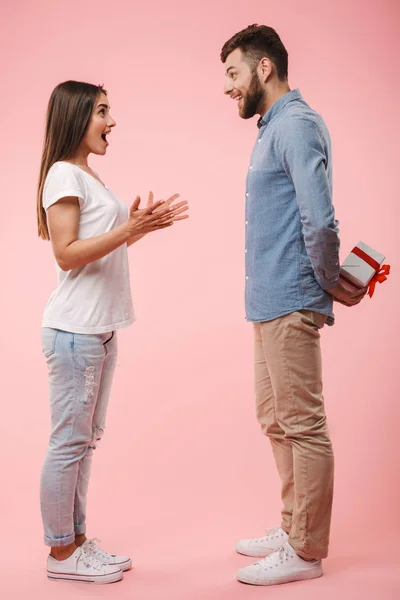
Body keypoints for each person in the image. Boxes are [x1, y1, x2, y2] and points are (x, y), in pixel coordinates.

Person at [220, 25, 366, 586]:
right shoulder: (272, 128)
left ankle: (305, 550)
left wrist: (329, 279)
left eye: (233, 74)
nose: (228, 88)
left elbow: (319, 215)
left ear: (263, 68)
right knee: (275, 419)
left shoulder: (297, 126)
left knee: (303, 424)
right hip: (267, 302)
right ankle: (291, 525)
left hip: (290, 299)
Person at [37, 80, 188, 584]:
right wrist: (126, 230)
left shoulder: (88, 175)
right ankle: (62, 554)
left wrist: (138, 228)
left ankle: (76, 541)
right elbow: (66, 253)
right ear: (77, 116)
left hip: (98, 332)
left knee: (84, 441)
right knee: (69, 442)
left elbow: (99, 253)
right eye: (103, 111)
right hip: (75, 332)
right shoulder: (62, 174)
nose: (112, 121)